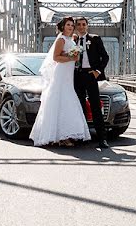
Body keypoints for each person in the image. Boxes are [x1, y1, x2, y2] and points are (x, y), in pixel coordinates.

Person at [30, 17, 91, 147]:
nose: (70, 27)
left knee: (68, 104)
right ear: (63, 27)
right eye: (68, 25)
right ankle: (61, 136)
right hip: (61, 73)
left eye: (71, 25)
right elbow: (56, 57)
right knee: (62, 102)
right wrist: (71, 57)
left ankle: (66, 135)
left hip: (69, 75)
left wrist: (75, 56)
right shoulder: (61, 39)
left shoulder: (72, 39)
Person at [73, 16, 110, 148]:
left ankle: (102, 139)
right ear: (76, 27)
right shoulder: (73, 40)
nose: (81, 27)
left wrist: (97, 72)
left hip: (90, 75)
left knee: (95, 106)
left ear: (87, 26)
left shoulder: (95, 39)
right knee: (80, 106)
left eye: (84, 24)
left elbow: (105, 57)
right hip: (77, 76)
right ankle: (82, 136)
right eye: (79, 25)